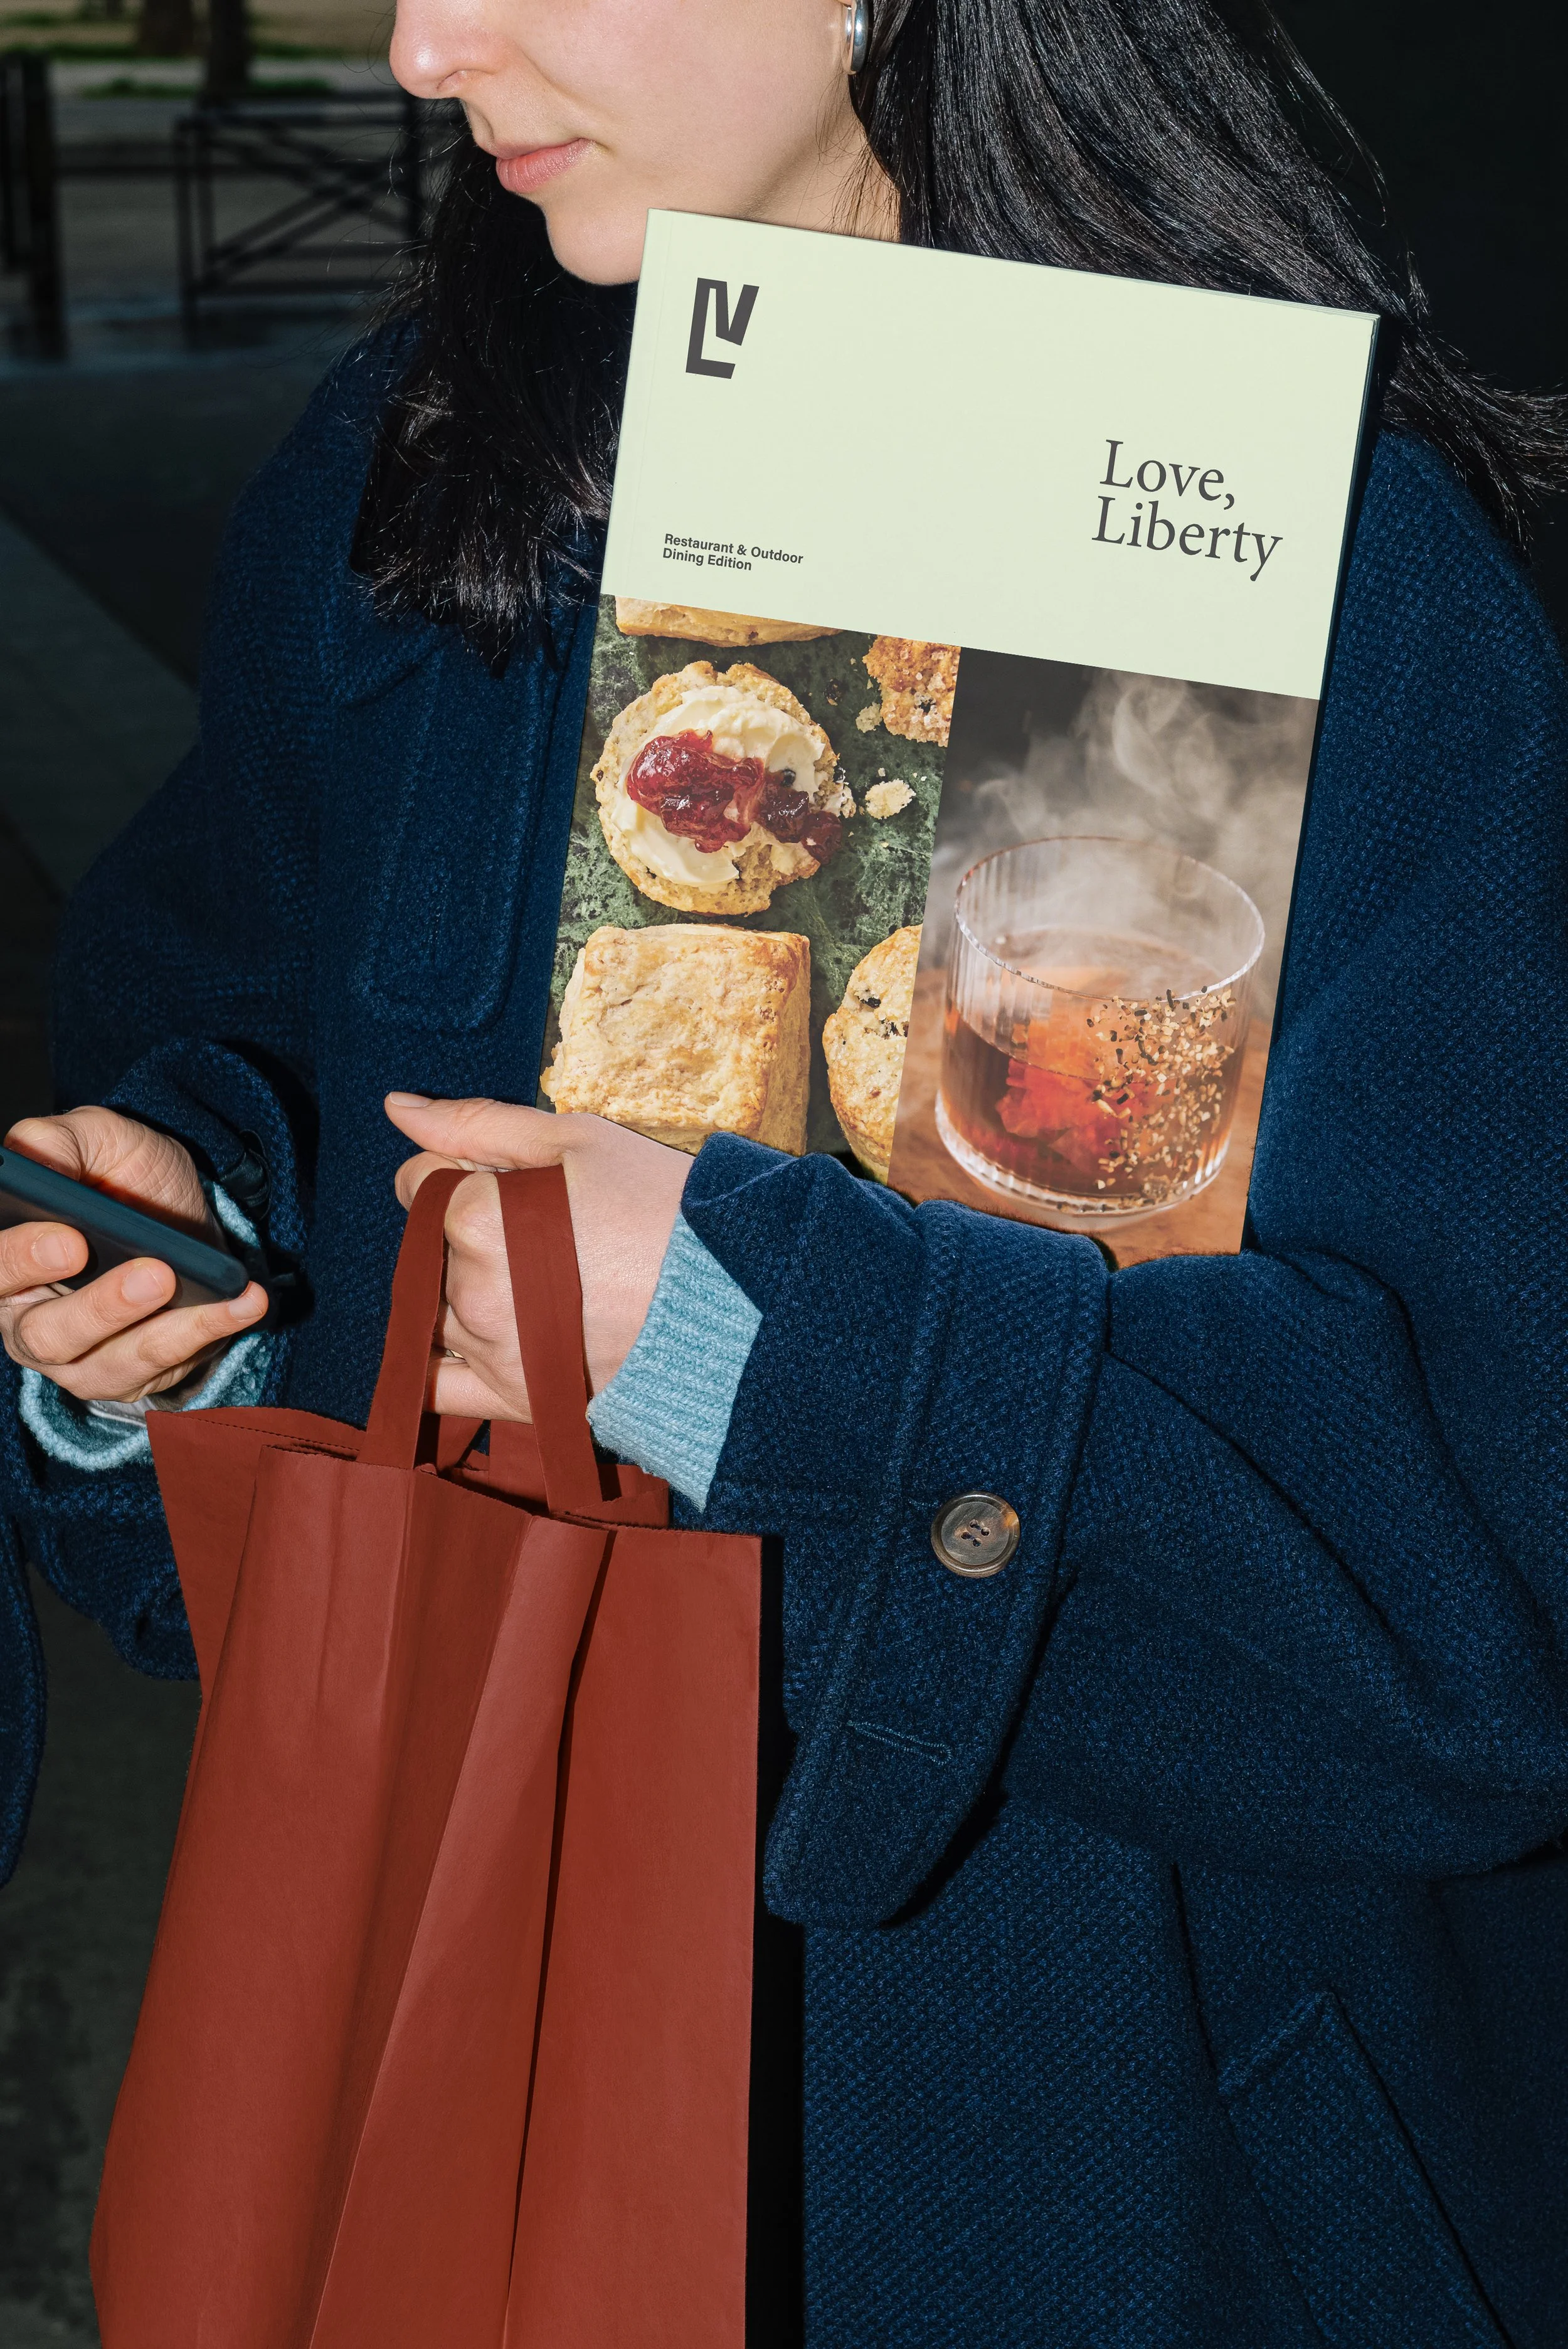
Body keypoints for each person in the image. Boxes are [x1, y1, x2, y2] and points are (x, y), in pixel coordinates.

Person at [2, 0, 1566, 2338]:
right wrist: (156, 1321)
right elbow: (228, 1069)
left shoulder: (1332, 571)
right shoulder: (409, 492)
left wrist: (772, 1340)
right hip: (463, 2068)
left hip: (1115, 2174)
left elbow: (1475, 1615)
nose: (426, 48)